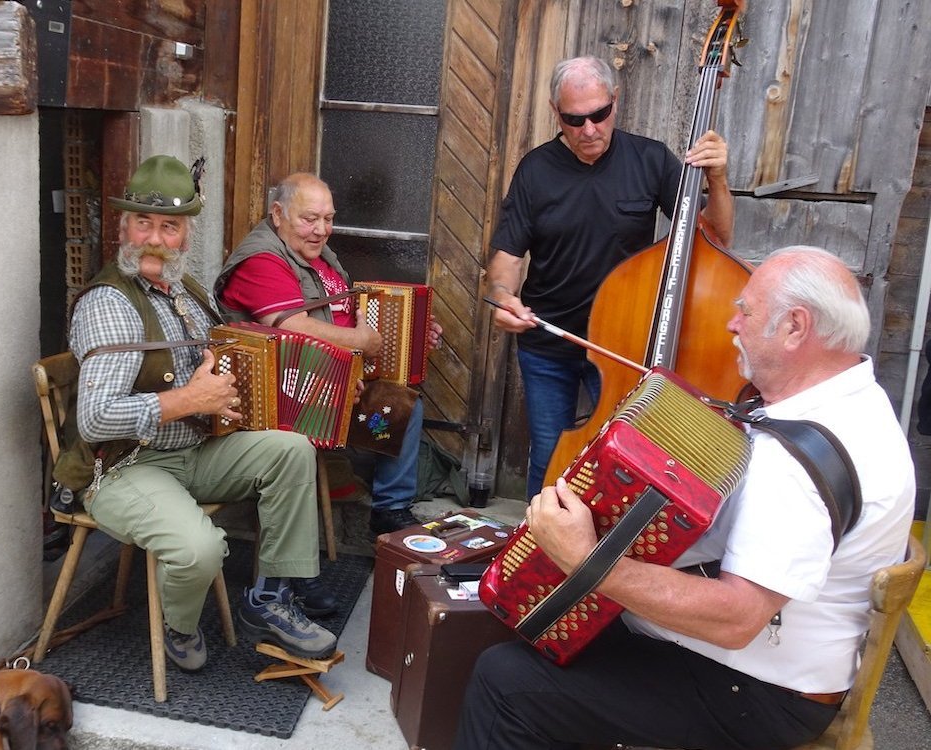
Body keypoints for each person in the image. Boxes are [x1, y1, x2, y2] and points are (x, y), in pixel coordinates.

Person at [454, 246, 915, 750]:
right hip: (772, 667)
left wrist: (587, 561)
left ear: (795, 328)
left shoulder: (796, 468)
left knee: (506, 681)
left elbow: (738, 619)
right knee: (538, 622)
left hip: (754, 691)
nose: (731, 324)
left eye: (746, 311)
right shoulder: (857, 403)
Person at [68, 155, 339, 672]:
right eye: (143, 223)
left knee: (291, 449)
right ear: (123, 227)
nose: (155, 238)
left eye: (169, 227)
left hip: (195, 450)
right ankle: (179, 626)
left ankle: (270, 599)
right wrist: (189, 401)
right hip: (125, 467)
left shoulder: (186, 291)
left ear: (185, 236)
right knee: (199, 548)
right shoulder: (110, 304)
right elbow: (95, 420)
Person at [486, 55, 736, 497]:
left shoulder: (650, 159)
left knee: (627, 460)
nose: (589, 130)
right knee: (549, 456)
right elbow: (506, 258)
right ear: (555, 112)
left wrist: (716, 180)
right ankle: (539, 557)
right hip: (550, 342)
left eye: (599, 115)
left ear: (615, 102)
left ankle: (608, 561)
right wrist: (503, 295)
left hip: (625, 345)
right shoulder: (535, 170)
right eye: (574, 119)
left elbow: (715, 236)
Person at [214, 172, 442, 536]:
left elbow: (349, 310)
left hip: (332, 379)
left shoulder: (318, 254)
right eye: (310, 219)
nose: (321, 230)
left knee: (402, 405)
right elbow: (294, 327)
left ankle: (389, 507)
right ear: (277, 213)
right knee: (389, 409)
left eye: (329, 218)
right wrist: (361, 341)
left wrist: (409, 333)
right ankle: (352, 479)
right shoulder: (261, 261)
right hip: (289, 394)